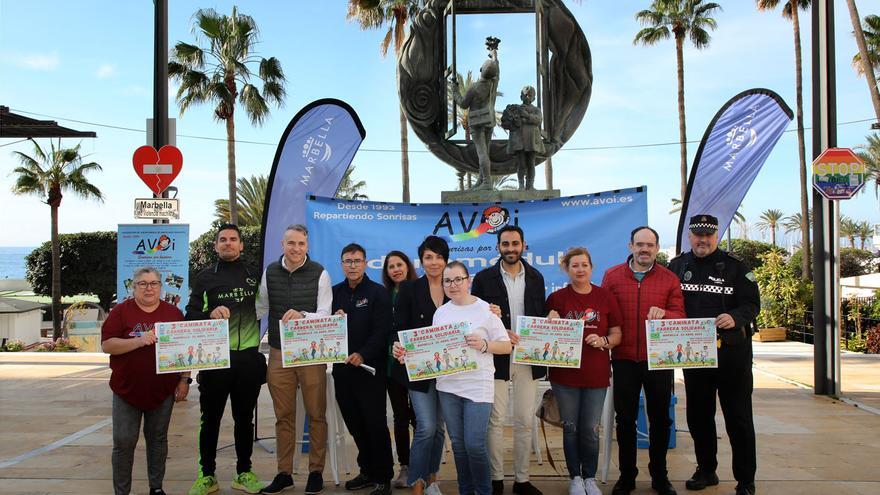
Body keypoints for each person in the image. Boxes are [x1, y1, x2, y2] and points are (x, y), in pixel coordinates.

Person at [668, 215, 760, 495]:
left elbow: (752, 304)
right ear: (690, 236)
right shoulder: (676, 266)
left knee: (739, 418)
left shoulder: (736, 267)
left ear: (716, 235)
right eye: (697, 234)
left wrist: (735, 316)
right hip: (695, 356)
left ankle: (745, 480)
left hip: (732, 354)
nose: (702, 239)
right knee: (699, 416)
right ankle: (706, 470)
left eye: (708, 235)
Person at [601, 226, 686, 495]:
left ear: (657, 249)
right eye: (639, 244)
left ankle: (660, 476)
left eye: (649, 245)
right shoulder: (612, 276)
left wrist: (666, 314)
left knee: (661, 420)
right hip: (624, 359)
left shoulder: (669, 279)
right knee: (625, 420)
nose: (644, 249)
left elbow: (681, 316)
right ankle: (627, 476)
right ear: (630, 247)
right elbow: (604, 316)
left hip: (658, 360)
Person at [185, 224, 265, 495]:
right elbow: (190, 316)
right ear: (216, 246)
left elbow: (273, 306)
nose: (228, 243)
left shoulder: (256, 275)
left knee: (244, 420)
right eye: (223, 240)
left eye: (233, 239)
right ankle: (207, 475)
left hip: (248, 359)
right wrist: (209, 314)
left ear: (241, 245)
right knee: (211, 419)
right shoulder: (205, 278)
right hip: (215, 360)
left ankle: (244, 472)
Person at [256, 224, 332, 495]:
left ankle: (315, 472)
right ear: (282, 244)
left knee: (316, 414)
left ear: (307, 246)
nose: (296, 248)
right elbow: (260, 308)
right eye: (291, 243)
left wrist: (303, 315)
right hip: (277, 352)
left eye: (301, 244)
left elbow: (325, 313)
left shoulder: (320, 273)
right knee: (283, 416)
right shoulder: (270, 272)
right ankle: (284, 473)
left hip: (310, 352)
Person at [470, 225, 546, 495]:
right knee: (496, 420)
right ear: (498, 246)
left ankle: (522, 480)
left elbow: (539, 316)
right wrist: (500, 327)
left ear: (523, 245)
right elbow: (474, 319)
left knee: (525, 419)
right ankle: (496, 479)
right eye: (505, 244)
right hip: (495, 358)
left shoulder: (536, 277)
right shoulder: (483, 278)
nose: (510, 248)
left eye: (515, 243)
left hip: (528, 357)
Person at [102, 267, 189, 495]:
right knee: (123, 443)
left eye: (154, 283)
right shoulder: (121, 312)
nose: (149, 288)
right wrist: (138, 341)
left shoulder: (174, 313)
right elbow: (107, 345)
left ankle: (156, 487)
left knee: (158, 441)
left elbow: (184, 349)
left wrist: (185, 380)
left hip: (162, 391)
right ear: (134, 287)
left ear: (161, 286)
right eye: (143, 283)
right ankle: (122, 491)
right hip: (126, 390)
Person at [545, 247, 622, 495]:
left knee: (590, 428)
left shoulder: (605, 297)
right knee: (571, 427)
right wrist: (550, 321)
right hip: (564, 376)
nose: (580, 269)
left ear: (591, 267)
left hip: (596, 374)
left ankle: (590, 476)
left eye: (584, 265)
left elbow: (617, 333)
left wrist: (604, 342)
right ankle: (575, 477)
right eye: (574, 265)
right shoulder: (557, 299)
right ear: (567, 269)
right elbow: (542, 335)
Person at [432, 261, 511, 495]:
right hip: (447, 386)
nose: (453, 285)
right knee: (458, 446)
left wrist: (485, 344)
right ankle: (465, 490)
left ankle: (484, 491)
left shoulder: (486, 310)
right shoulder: (441, 312)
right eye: (448, 281)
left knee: (475, 445)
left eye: (458, 279)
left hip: (478, 386)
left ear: (468, 281)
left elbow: (506, 346)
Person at [331, 243, 395, 495]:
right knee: (355, 424)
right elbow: (323, 327)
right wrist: (332, 321)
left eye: (357, 261)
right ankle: (367, 470)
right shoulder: (335, 293)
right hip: (342, 371)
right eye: (348, 261)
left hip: (370, 370)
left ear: (365, 263)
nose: (353, 265)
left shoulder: (378, 293)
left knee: (375, 424)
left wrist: (363, 353)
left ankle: (384, 477)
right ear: (342, 264)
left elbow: (383, 331)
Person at [391, 236, 450, 495]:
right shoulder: (409, 289)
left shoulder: (456, 287)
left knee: (439, 429)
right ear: (421, 260)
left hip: (450, 371)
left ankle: (432, 478)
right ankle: (416, 481)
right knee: (425, 426)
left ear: (445, 259)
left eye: (438, 257)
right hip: (420, 370)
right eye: (428, 257)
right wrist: (396, 345)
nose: (434, 262)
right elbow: (399, 328)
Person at [382, 251, 418, 488]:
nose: (395, 269)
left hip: (416, 363)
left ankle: (421, 465)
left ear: (408, 266)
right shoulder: (382, 294)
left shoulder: (419, 290)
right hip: (392, 365)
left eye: (399, 264)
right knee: (400, 417)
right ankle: (405, 466)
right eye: (391, 266)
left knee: (420, 417)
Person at [452, 36, 500, 190]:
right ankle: (481, 180)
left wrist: (455, 91)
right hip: (489, 121)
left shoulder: (474, 87)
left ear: (481, 70)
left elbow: (463, 103)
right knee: (485, 150)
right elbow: (497, 66)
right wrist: (494, 53)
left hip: (477, 123)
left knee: (482, 152)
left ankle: (486, 182)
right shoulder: (494, 82)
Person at [500, 85, 545, 190]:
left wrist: (527, 116)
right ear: (521, 97)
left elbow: (538, 120)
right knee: (521, 163)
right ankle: (520, 185)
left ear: (533, 98)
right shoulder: (515, 109)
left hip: (532, 140)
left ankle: (530, 186)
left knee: (531, 163)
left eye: (530, 95)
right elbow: (506, 123)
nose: (528, 97)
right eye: (526, 95)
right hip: (519, 140)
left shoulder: (536, 110)